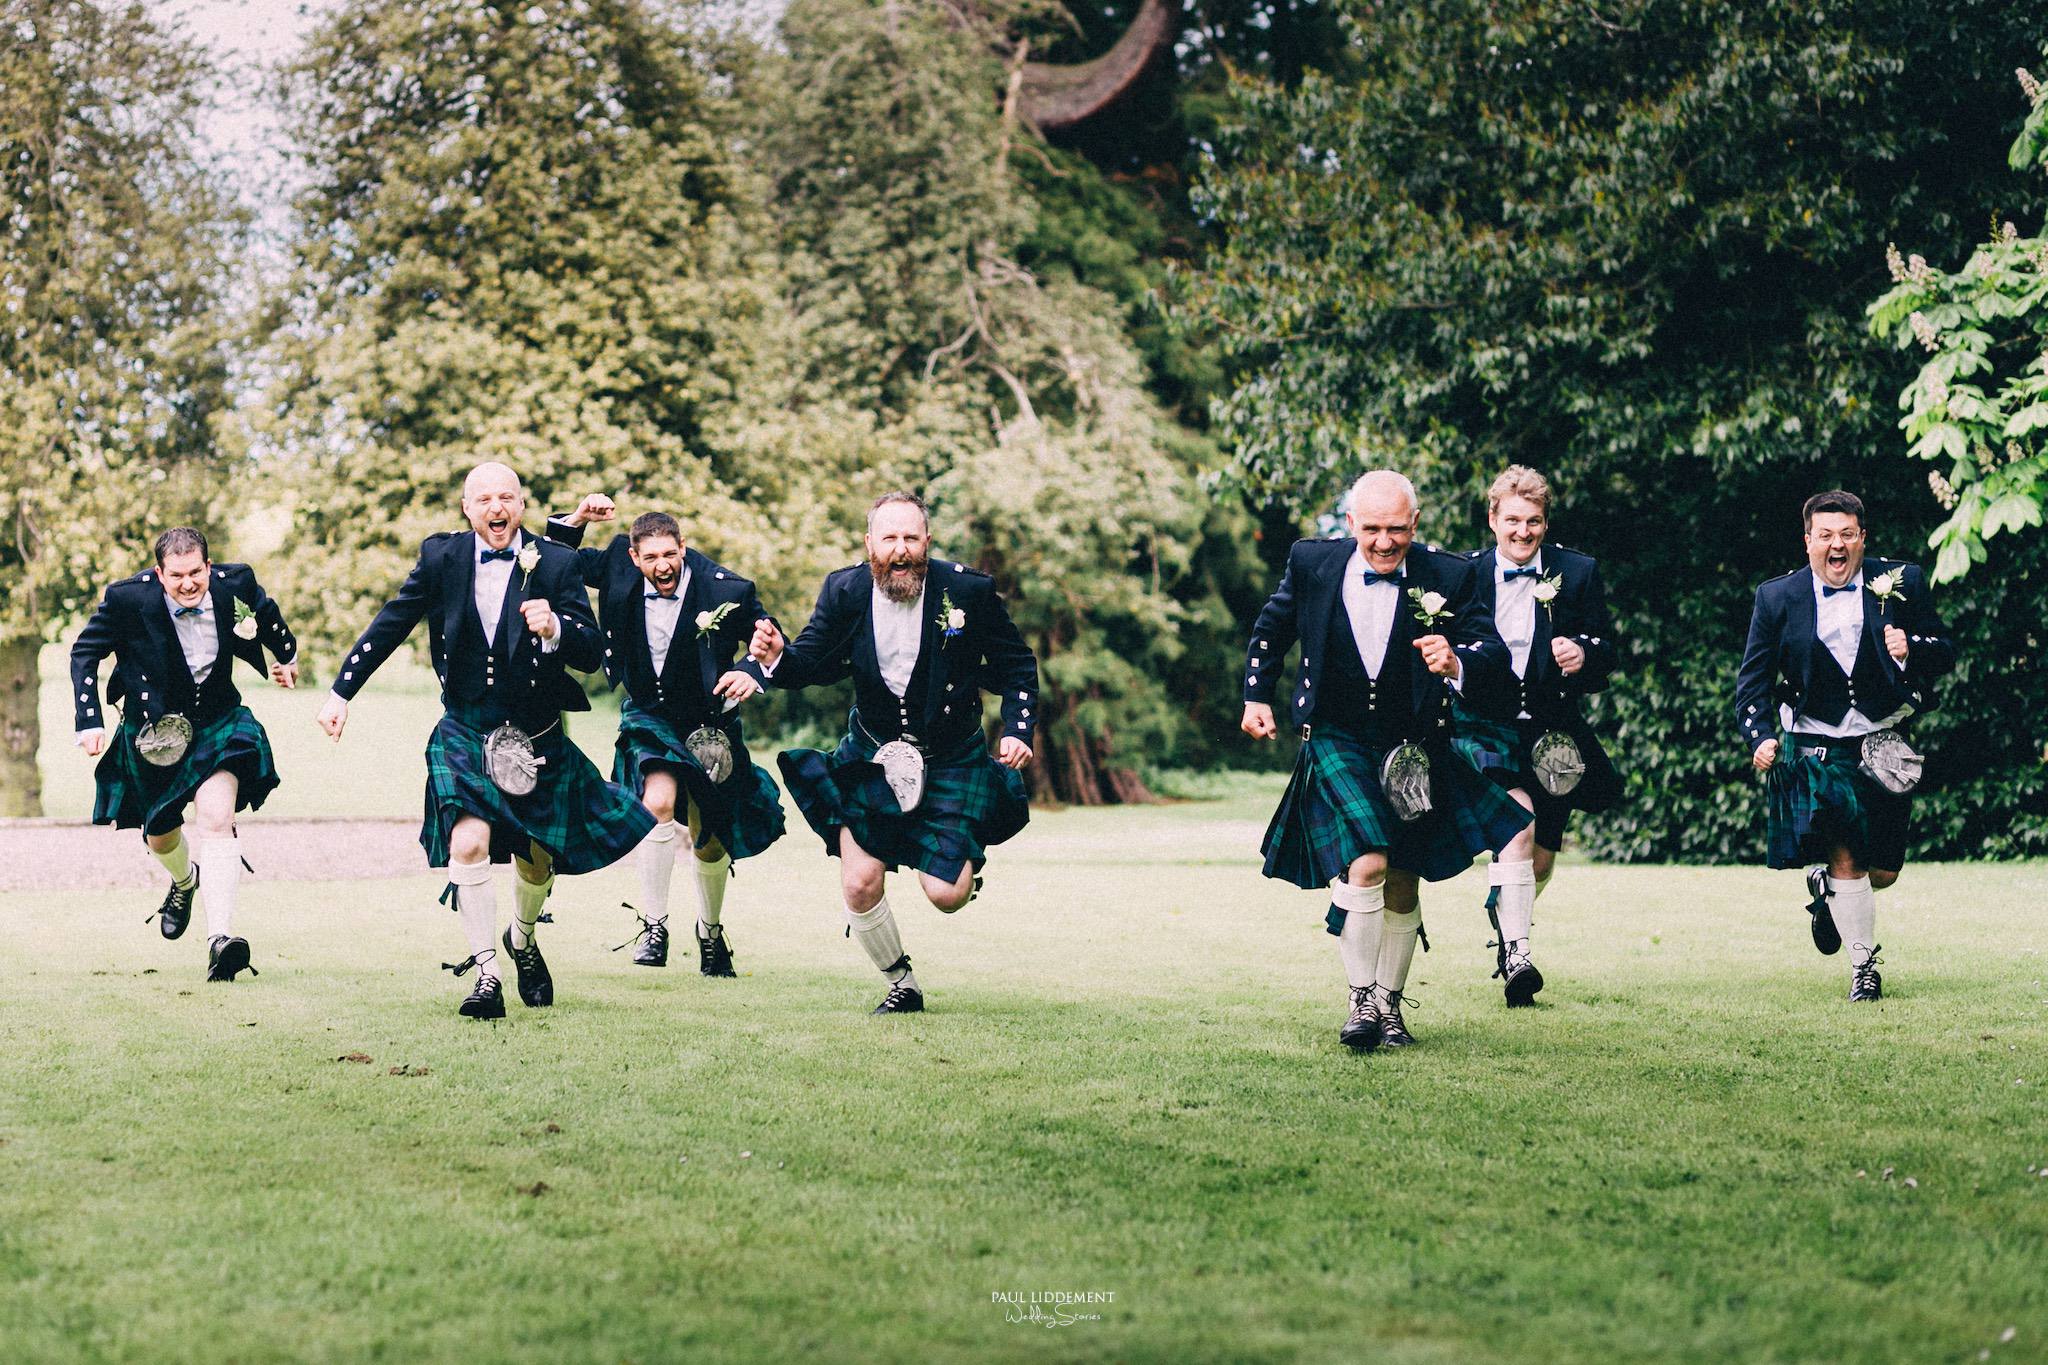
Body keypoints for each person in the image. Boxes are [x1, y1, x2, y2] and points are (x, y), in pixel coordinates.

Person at [315, 462, 655, 1019]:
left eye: (507, 497)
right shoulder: (440, 558)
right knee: (468, 842)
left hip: (538, 731)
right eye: (484, 499)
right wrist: (340, 692)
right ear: (467, 508)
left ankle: (521, 938)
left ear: (521, 505)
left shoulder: (557, 562)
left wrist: (556, 630)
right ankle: (486, 974)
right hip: (466, 728)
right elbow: (392, 622)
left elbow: (592, 652)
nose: (496, 508)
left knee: (538, 858)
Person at [1243, 469, 1531, 1052]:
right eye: (1371, 529)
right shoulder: (1311, 563)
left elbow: (1494, 657)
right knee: (1368, 863)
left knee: (1402, 878)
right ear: (1351, 524)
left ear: (1415, 524)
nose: (1383, 542)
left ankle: (1391, 1007)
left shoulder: (1447, 574)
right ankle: (1362, 1001)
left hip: (1415, 744)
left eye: (1396, 530)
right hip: (1336, 734)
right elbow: (1272, 629)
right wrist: (1256, 694)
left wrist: (1455, 661)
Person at [748, 492, 1037, 1015]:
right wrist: (776, 658)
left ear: (926, 542)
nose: (900, 550)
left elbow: (1019, 666)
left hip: (951, 758)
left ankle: (961, 858)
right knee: (859, 883)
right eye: (889, 538)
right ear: (869, 544)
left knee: (947, 895)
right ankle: (901, 981)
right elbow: (811, 662)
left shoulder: (968, 590)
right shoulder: (845, 590)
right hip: (873, 756)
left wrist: (1018, 729)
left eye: (910, 538)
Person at [544, 495, 784, 976]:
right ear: (634, 557)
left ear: (683, 548)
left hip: (709, 720)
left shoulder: (725, 589)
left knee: (709, 838)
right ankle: (655, 925)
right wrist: (577, 520)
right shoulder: (616, 564)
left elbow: (770, 641)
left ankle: (711, 933)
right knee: (656, 803)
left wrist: (749, 670)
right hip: (648, 713)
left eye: (669, 555)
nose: (662, 565)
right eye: (650, 557)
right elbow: (557, 562)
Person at [1734, 489, 1955, 1002]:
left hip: (1886, 742)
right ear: (1808, 540)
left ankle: (1826, 892)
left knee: (1884, 870)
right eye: (1826, 535)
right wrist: (1762, 736)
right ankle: (1864, 968)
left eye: (1847, 535)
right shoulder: (1777, 597)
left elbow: (1945, 651)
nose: (1838, 545)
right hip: (1817, 742)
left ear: (1862, 539)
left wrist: (1911, 647)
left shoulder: (1902, 583)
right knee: (1847, 855)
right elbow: (1753, 681)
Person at [72, 527, 300, 982]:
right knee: (161, 835)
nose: (188, 583)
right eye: (177, 575)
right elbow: (84, 653)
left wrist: (286, 654)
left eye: (196, 572)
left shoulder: (234, 585)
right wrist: (89, 719)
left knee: (216, 817)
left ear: (208, 567)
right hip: (155, 732)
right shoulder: (127, 600)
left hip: (219, 720)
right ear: (160, 573)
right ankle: (184, 881)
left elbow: (266, 614)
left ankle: (220, 939)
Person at [1452, 466, 1622, 1006]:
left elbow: (1607, 652)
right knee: (1517, 826)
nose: (1522, 532)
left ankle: (1508, 924)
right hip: (1485, 724)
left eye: (1534, 522)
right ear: (1492, 520)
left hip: (1554, 734)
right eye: (1512, 521)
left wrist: (1584, 655)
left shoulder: (1578, 571)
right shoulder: (1464, 575)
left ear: (1545, 523)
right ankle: (1519, 957)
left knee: (1541, 858)